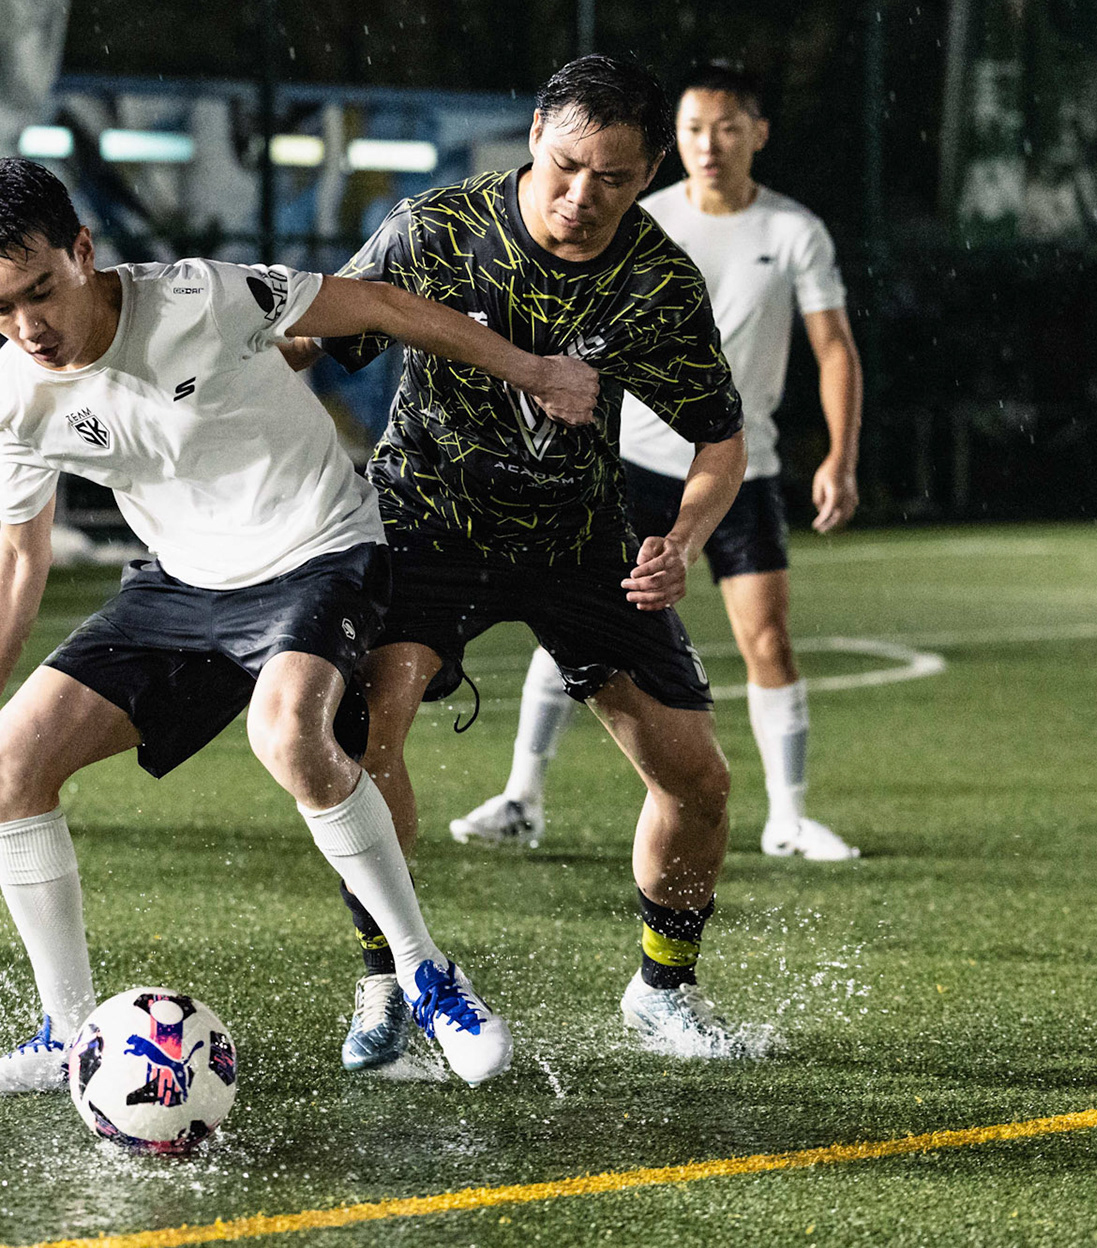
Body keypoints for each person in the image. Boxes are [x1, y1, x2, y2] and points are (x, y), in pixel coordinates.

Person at [0, 158, 599, 1095]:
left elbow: (382, 306)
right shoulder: (17, 398)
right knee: (7, 766)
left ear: (83, 251)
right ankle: (66, 1034)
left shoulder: (203, 296)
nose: (29, 327)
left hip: (318, 550)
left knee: (287, 732)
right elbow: (20, 556)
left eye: (41, 292)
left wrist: (534, 370)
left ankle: (427, 975)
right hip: (180, 585)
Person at [288, 55, 752, 1070]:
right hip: (426, 519)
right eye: (565, 166)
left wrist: (679, 540)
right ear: (534, 134)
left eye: (615, 179)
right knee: (366, 730)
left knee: (699, 778)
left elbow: (723, 441)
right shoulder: (436, 230)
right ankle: (389, 976)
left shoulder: (659, 280)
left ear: (649, 173)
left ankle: (661, 990)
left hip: (579, 540)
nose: (583, 198)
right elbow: (310, 338)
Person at [453, 61, 866, 863]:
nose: (709, 144)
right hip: (630, 466)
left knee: (768, 640)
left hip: (742, 466)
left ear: (757, 134)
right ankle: (521, 797)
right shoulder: (639, 218)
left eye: (726, 127)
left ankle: (787, 816)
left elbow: (834, 347)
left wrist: (841, 456)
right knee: (571, 629)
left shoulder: (793, 232)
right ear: (670, 143)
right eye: (692, 129)